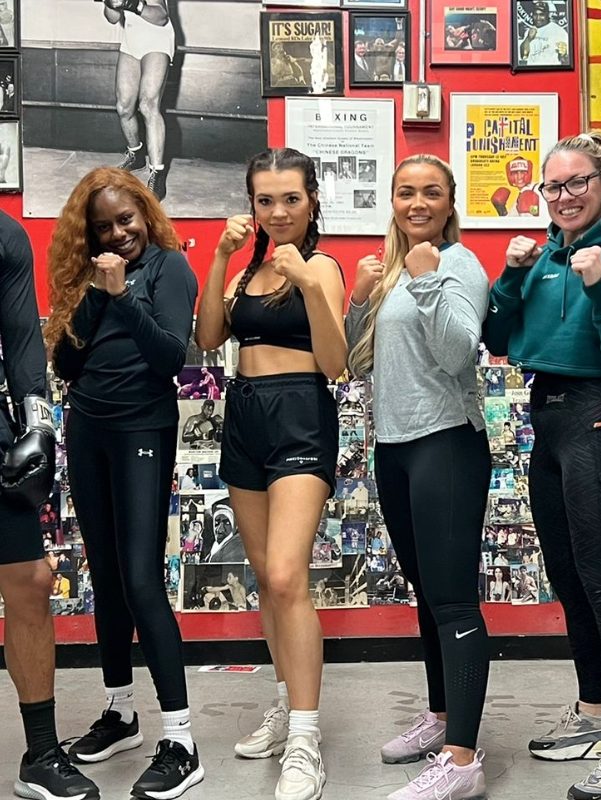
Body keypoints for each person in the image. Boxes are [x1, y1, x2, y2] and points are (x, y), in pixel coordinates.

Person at [483, 131, 601, 799]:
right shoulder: (540, 259)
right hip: (550, 424)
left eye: (577, 182)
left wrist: (600, 284)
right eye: (553, 186)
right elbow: (497, 339)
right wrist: (510, 275)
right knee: (570, 583)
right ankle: (595, 713)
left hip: (598, 423)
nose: (563, 196)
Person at [44, 167, 201, 799]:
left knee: (140, 579)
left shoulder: (169, 268)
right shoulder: (90, 277)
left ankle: (182, 740)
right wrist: (94, 294)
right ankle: (121, 712)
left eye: (126, 219)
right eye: (103, 226)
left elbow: (170, 358)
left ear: (146, 213)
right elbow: (66, 362)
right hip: (88, 429)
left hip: (142, 428)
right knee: (104, 576)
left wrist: (123, 295)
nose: (117, 234)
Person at [195, 147, 346, 800]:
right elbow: (208, 338)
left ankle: (306, 741)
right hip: (245, 414)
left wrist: (308, 285)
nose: (278, 211)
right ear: (251, 204)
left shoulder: (322, 266)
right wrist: (220, 257)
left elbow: (335, 364)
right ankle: (286, 707)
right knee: (264, 579)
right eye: (265, 200)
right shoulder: (247, 269)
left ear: (312, 202)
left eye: (291, 198)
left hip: (300, 414)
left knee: (288, 576)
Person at [346, 153, 491, 800]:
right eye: (406, 192)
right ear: (394, 201)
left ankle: (463, 761)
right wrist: (359, 298)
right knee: (428, 596)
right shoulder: (392, 269)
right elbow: (358, 363)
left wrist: (428, 279)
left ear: (450, 202)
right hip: (395, 447)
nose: (418, 203)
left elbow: (459, 354)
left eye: (432, 192)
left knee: (453, 600)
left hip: (447, 443)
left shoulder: (458, 265)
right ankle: (441, 718)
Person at [0, 212, 99, 800]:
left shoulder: (5, 235)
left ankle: (40, 753)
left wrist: (36, 422)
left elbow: (20, 337)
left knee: (31, 580)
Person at [102, 0, 175, 201]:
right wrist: (110, 3)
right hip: (132, 41)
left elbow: (161, 17)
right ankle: (136, 155)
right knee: (124, 107)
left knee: (148, 104)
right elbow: (112, 18)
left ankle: (157, 173)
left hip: (157, 39)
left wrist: (131, 3)